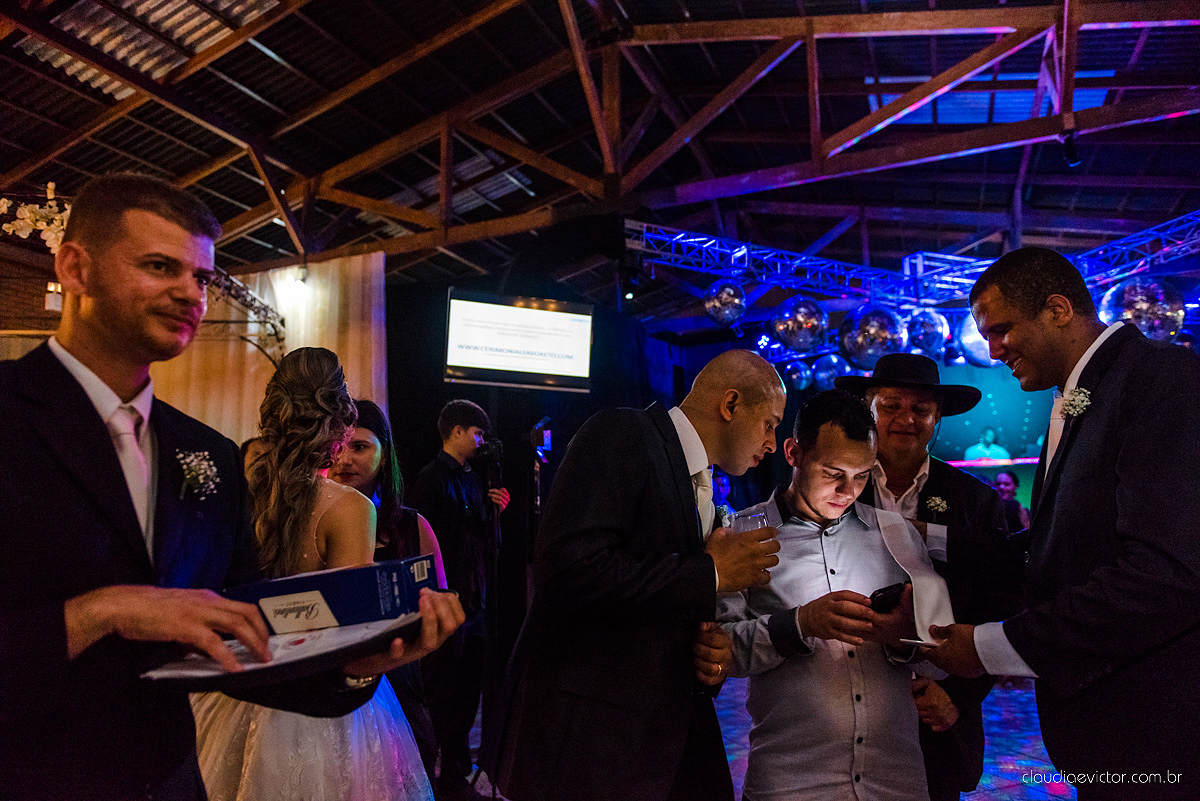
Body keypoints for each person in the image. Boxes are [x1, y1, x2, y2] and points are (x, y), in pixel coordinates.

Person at [0, 173, 462, 801]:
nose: (190, 294)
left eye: (201, 277)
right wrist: (98, 613)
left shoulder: (207, 454)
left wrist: (358, 667)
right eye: (161, 266)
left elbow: (242, 641)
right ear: (75, 269)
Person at [927, 246, 1200, 800]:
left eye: (1001, 329)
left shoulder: (1160, 379)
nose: (991, 349)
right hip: (1103, 734)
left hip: (1158, 733)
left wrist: (990, 646)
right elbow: (1072, 538)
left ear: (1057, 310)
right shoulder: (1080, 392)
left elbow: (1166, 571)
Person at [489, 350, 787, 801]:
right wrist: (709, 573)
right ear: (730, 405)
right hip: (594, 743)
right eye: (770, 423)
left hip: (663, 736)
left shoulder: (701, 483)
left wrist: (708, 652)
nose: (772, 443)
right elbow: (568, 569)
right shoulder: (623, 433)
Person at [193, 348, 434, 801]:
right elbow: (348, 635)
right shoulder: (350, 509)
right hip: (318, 702)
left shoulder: (238, 495)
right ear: (341, 425)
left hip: (235, 687)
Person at [717, 389, 935, 801]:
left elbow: (936, 651)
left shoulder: (897, 534)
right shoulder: (742, 536)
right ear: (793, 453)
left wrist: (906, 638)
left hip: (894, 776)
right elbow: (720, 652)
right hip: (791, 779)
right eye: (833, 472)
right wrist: (799, 625)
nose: (848, 490)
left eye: (862, 475)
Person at [837, 353, 1024, 801]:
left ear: (937, 417)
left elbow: (1000, 607)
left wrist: (958, 694)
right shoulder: (834, 488)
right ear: (868, 409)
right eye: (892, 405)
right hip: (841, 704)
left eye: (920, 409)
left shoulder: (974, 502)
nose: (906, 418)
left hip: (934, 708)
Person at [330, 397, 446, 781]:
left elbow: (440, 613)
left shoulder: (414, 528)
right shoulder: (309, 523)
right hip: (327, 694)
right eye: (338, 446)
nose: (345, 458)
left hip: (400, 690)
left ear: (384, 454)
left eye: (360, 447)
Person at [407, 399, 510, 800]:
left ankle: (455, 771)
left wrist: (496, 511)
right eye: (477, 434)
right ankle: (426, 770)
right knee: (440, 689)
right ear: (456, 432)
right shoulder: (431, 479)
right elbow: (419, 544)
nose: (481, 441)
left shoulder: (474, 479)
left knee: (468, 689)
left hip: (476, 601)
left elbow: (486, 542)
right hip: (446, 601)